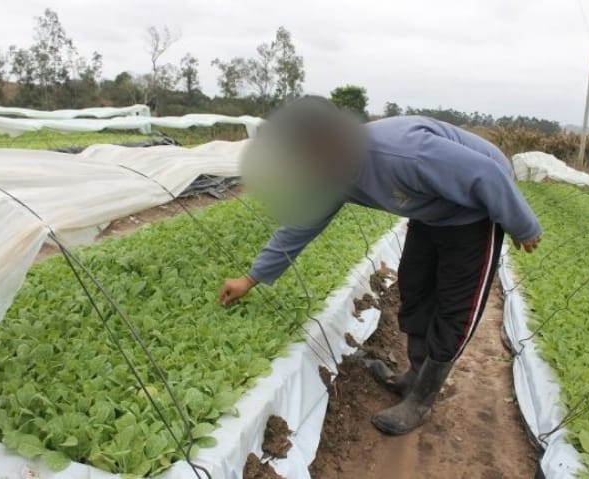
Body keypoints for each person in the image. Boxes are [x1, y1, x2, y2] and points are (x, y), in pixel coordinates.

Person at [219, 96, 541, 436]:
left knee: (456, 307)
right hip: (430, 210)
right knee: (414, 285)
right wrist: (250, 279)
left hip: (472, 209)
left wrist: (523, 225)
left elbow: (487, 173)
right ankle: (414, 378)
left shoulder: (402, 153)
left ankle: (422, 400)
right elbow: (301, 225)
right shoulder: (331, 171)